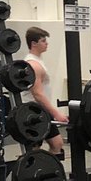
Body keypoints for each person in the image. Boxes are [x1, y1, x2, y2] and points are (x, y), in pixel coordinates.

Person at [21, 27, 65, 157]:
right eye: (43, 41)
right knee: (53, 144)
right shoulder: (34, 65)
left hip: (39, 110)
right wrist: (56, 113)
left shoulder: (37, 61)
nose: (47, 43)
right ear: (34, 43)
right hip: (34, 111)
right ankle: (37, 173)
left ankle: (43, 172)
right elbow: (38, 94)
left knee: (45, 145)